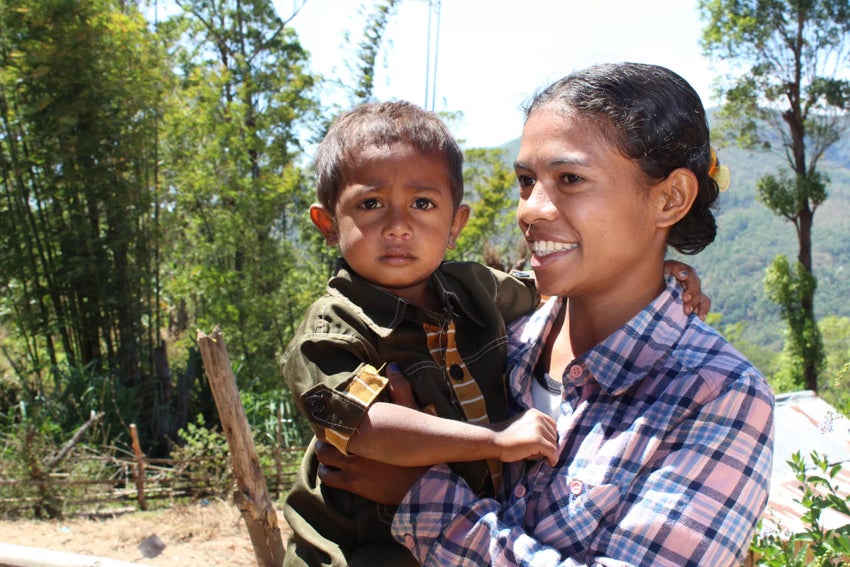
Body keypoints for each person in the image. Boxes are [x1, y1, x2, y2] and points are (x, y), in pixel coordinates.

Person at [315, 63, 775, 567]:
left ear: (670, 198)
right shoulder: (493, 334)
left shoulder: (715, 395)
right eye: (526, 181)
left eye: (570, 178)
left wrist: (417, 494)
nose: (530, 210)